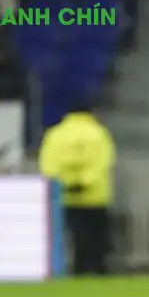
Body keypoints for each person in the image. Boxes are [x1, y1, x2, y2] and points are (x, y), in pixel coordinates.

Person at [39, 104, 116, 275]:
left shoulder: (56, 134)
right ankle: (96, 269)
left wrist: (66, 183)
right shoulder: (98, 133)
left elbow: (48, 165)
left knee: (68, 237)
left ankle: (72, 269)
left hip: (64, 197)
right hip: (94, 197)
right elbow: (102, 162)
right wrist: (83, 182)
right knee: (96, 237)